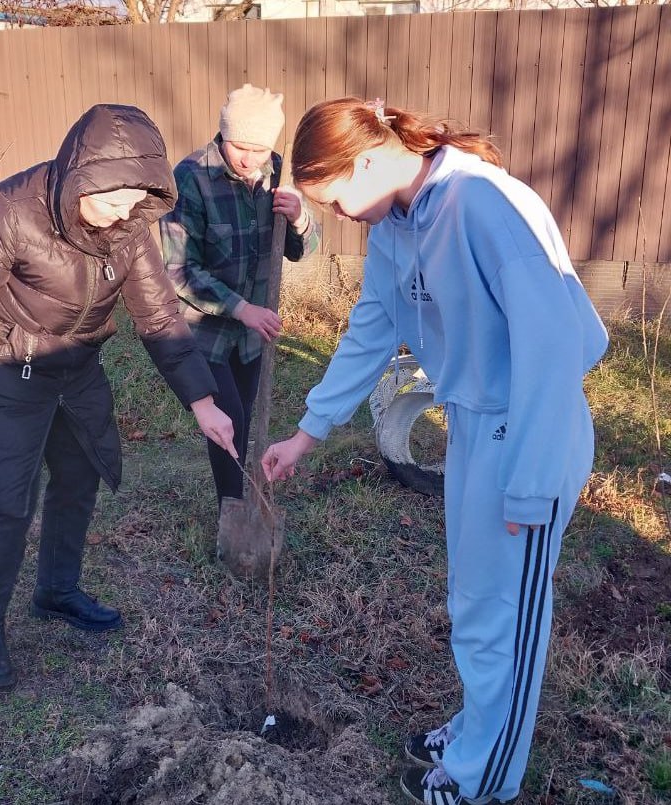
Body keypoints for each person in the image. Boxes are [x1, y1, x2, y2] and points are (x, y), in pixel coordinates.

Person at [261, 97, 608, 804]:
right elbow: (372, 326)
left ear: (362, 162)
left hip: (529, 435)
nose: (338, 217)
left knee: (508, 617)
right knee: (475, 601)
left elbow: (555, 341)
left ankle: (487, 778)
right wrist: (308, 431)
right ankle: (478, 727)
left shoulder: (482, 203)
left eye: (334, 202)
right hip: (474, 427)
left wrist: (532, 480)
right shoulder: (397, 223)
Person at [0, 104, 236, 691]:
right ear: (79, 175)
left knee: (79, 476)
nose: (122, 214)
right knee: (7, 502)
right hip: (3, 368)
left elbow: (158, 313)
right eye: (111, 199)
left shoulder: (129, 224)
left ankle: (57, 591)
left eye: (134, 201)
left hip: (77, 367)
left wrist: (202, 402)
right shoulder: (6, 212)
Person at [160, 84, 319, 510]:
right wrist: (241, 308)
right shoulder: (190, 178)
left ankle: (247, 496)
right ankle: (231, 507)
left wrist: (301, 218)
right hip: (204, 330)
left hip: (252, 336)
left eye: (260, 149)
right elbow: (177, 269)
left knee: (244, 418)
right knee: (226, 421)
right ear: (222, 134)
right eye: (240, 147)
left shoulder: (278, 174)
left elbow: (301, 249)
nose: (249, 159)